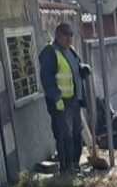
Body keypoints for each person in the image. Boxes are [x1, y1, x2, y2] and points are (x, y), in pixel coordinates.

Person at [38, 23, 91, 174]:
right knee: (64, 136)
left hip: (74, 101)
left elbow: (75, 67)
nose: (69, 38)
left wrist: (82, 69)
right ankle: (66, 168)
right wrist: (56, 98)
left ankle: (75, 164)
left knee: (76, 134)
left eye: (71, 35)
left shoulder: (70, 51)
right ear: (57, 35)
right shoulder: (50, 52)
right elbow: (47, 78)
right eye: (65, 35)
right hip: (60, 103)